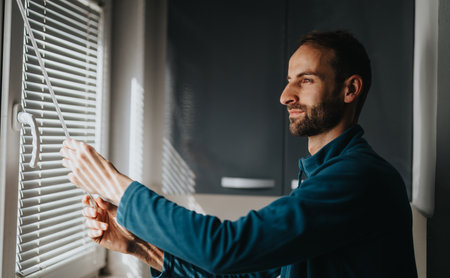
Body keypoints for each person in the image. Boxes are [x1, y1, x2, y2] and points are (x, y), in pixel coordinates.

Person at [60, 30, 418, 277]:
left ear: (349, 89)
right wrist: (137, 246)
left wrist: (113, 183)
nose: (285, 95)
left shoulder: (359, 178)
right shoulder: (321, 174)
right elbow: (245, 272)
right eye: (289, 79)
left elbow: (226, 249)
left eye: (306, 80)